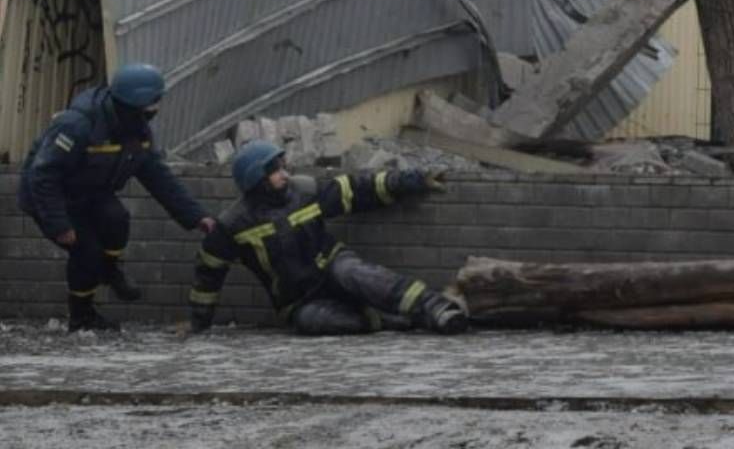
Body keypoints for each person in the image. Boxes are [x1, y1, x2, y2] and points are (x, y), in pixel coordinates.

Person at [188, 140, 468, 336]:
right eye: (276, 170)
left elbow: (357, 190)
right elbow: (208, 273)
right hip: (299, 301)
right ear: (256, 178)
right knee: (311, 322)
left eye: (283, 167)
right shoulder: (233, 225)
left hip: (333, 266)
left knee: (355, 273)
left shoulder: (305, 191)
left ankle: (436, 308)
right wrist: (199, 325)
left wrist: (411, 180)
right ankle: (386, 320)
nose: (285, 174)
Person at [17, 63, 214, 332]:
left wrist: (197, 216)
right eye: (152, 103)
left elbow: (158, 177)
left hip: (90, 191)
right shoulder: (77, 125)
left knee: (117, 218)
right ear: (134, 105)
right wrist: (59, 224)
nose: (156, 109)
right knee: (86, 252)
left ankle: (109, 270)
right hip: (52, 197)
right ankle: (81, 316)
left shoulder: (138, 130)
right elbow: (43, 175)